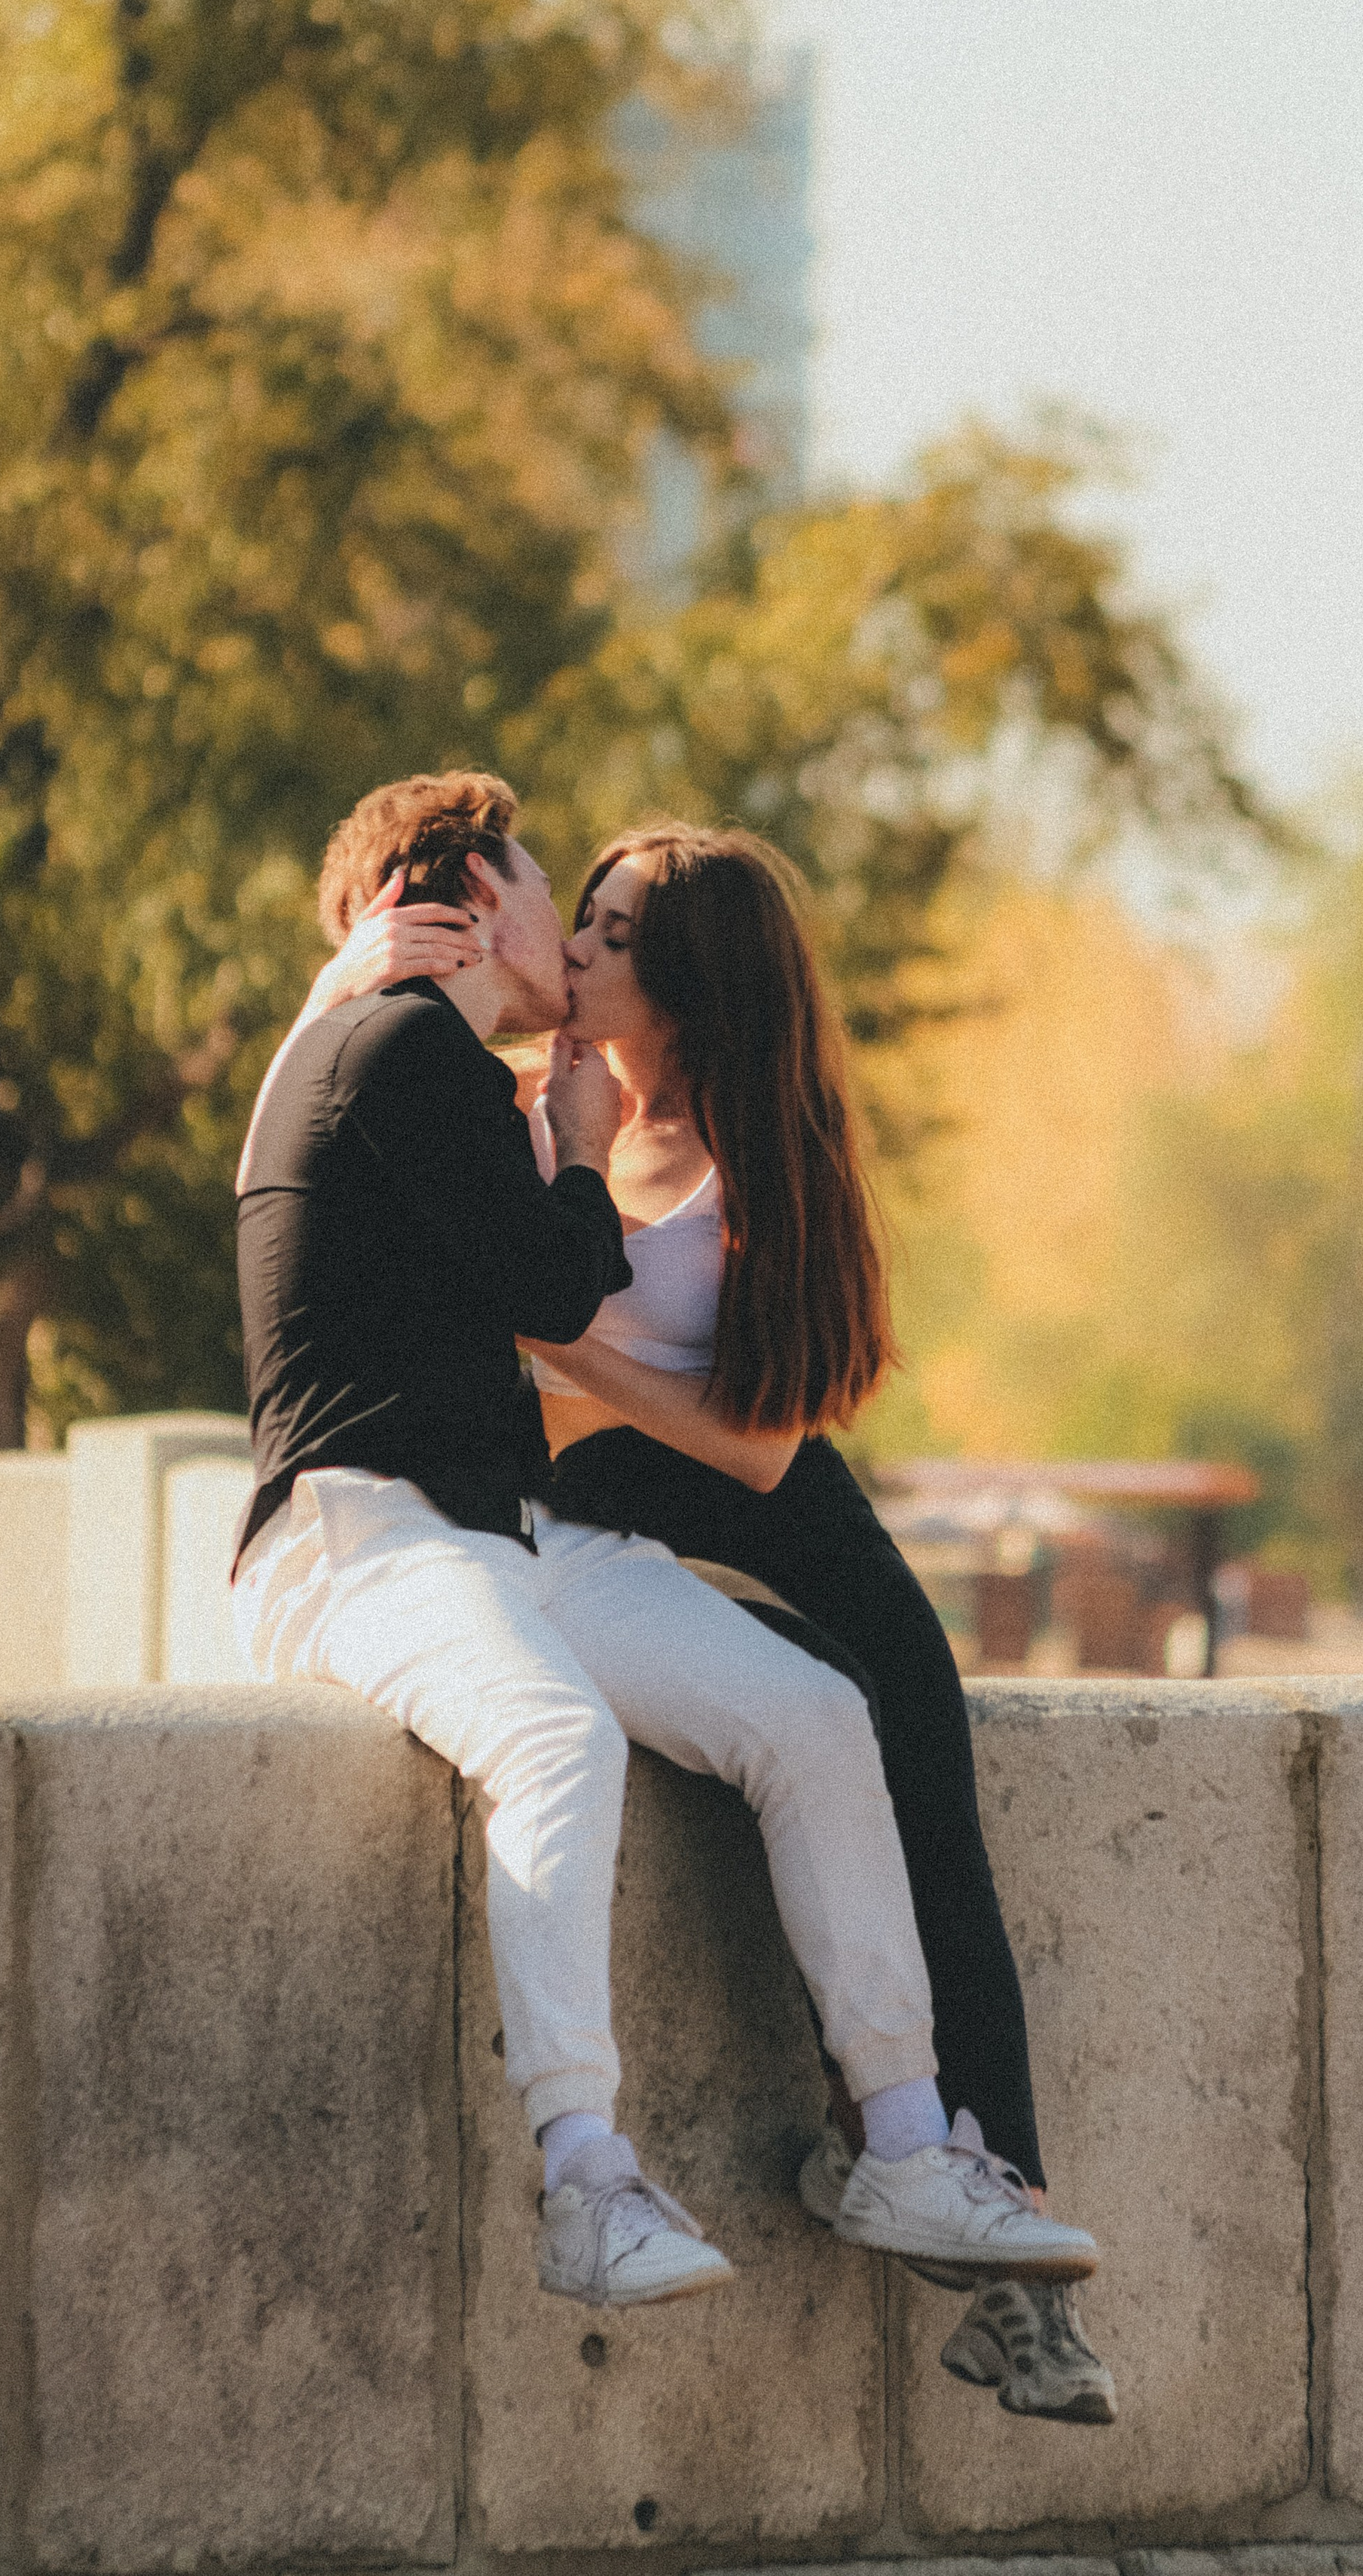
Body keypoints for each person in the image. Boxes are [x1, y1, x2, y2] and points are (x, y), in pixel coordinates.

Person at [232, 769, 1098, 2314]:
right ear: (471, 901)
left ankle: (917, 2144)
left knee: (835, 1712)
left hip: (559, 1517)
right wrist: (545, 1123)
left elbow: (712, 1409)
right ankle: (586, 2175)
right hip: (376, 1526)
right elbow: (521, 1273)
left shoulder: (454, 1065)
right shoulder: (408, 1049)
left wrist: (526, 1122)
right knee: (558, 1734)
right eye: (552, 898)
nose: (570, 944)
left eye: (610, 930)